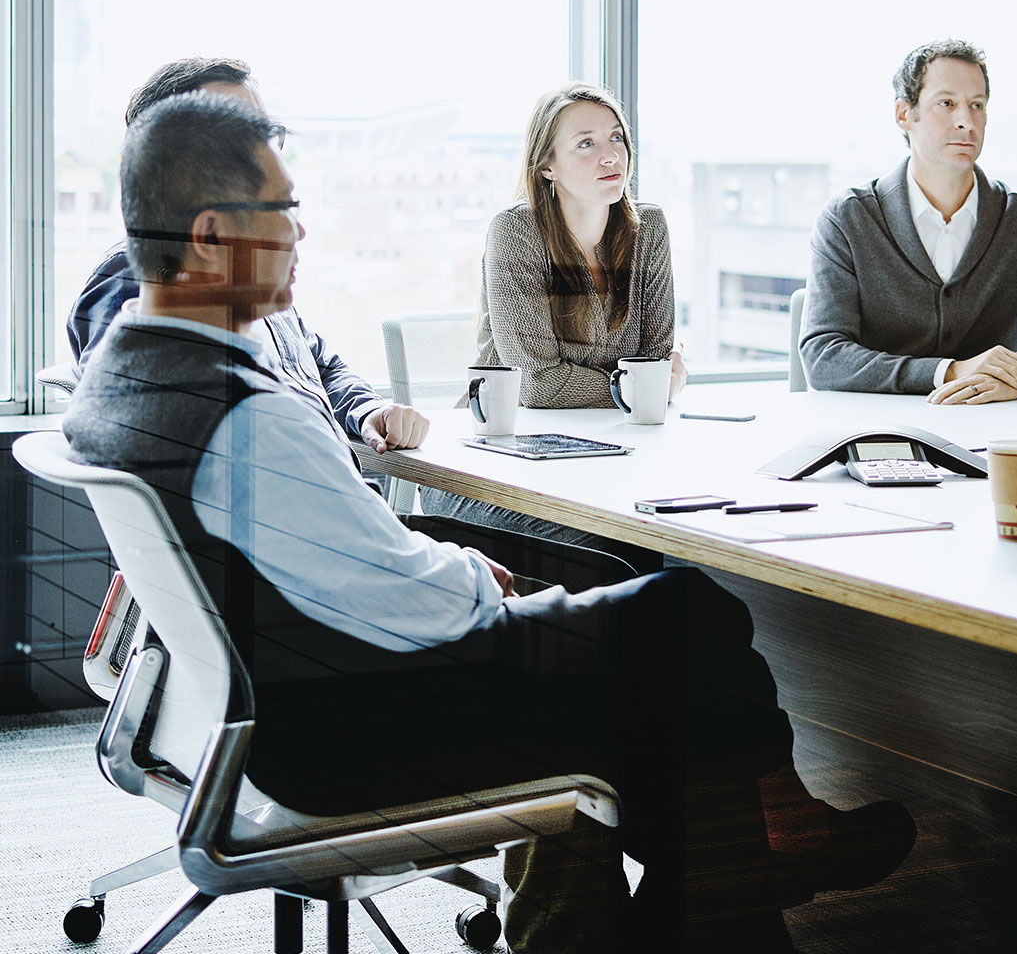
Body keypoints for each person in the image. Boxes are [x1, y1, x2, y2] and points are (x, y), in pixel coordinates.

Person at [64, 93, 914, 952]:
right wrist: (474, 573)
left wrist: (452, 567)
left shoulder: (132, 373)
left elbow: (340, 560)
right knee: (685, 615)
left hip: (275, 699)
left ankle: (695, 890)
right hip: (347, 727)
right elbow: (415, 603)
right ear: (210, 235)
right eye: (284, 210)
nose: (302, 235)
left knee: (640, 633)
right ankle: (735, 879)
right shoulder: (246, 413)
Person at [69, 56, 427, 456]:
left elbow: (319, 364)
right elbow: (130, 421)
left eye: (264, 131)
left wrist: (366, 409)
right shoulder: (139, 273)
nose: (261, 149)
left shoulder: (246, 274)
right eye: (238, 132)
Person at [419, 83, 683, 544]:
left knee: (674, 529)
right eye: (586, 143)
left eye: (616, 137)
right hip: (489, 467)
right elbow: (538, 385)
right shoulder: (516, 232)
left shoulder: (648, 229)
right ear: (547, 167)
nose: (610, 156)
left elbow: (655, 363)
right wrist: (641, 389)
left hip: (606, 456)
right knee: (617, 543)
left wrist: (645, 386)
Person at [800, 39, 1017, 403]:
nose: (966, 121)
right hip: (882, 435)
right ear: (904, 114)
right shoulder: (848, 219)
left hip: (996, 431)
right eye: (947, 104)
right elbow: (824, 356)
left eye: (977, 105)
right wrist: (952, 371)